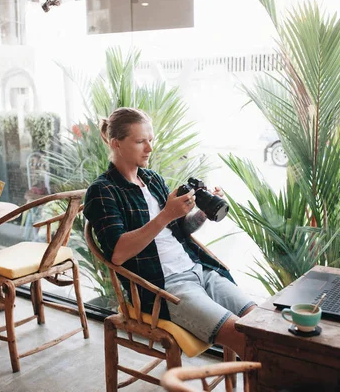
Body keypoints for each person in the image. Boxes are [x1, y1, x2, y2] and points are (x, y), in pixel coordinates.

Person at [84, 107, 256, 358]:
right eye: (140, 141)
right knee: (245, 340)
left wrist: (201, 215)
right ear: (116, 144)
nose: (149, 148)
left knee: (261, 324)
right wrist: (166, 214)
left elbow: (179, 230)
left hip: (199, 269)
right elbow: (118, 255)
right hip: (164, 288)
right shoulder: (103, 191)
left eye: (150, 140)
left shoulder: (152, 179)